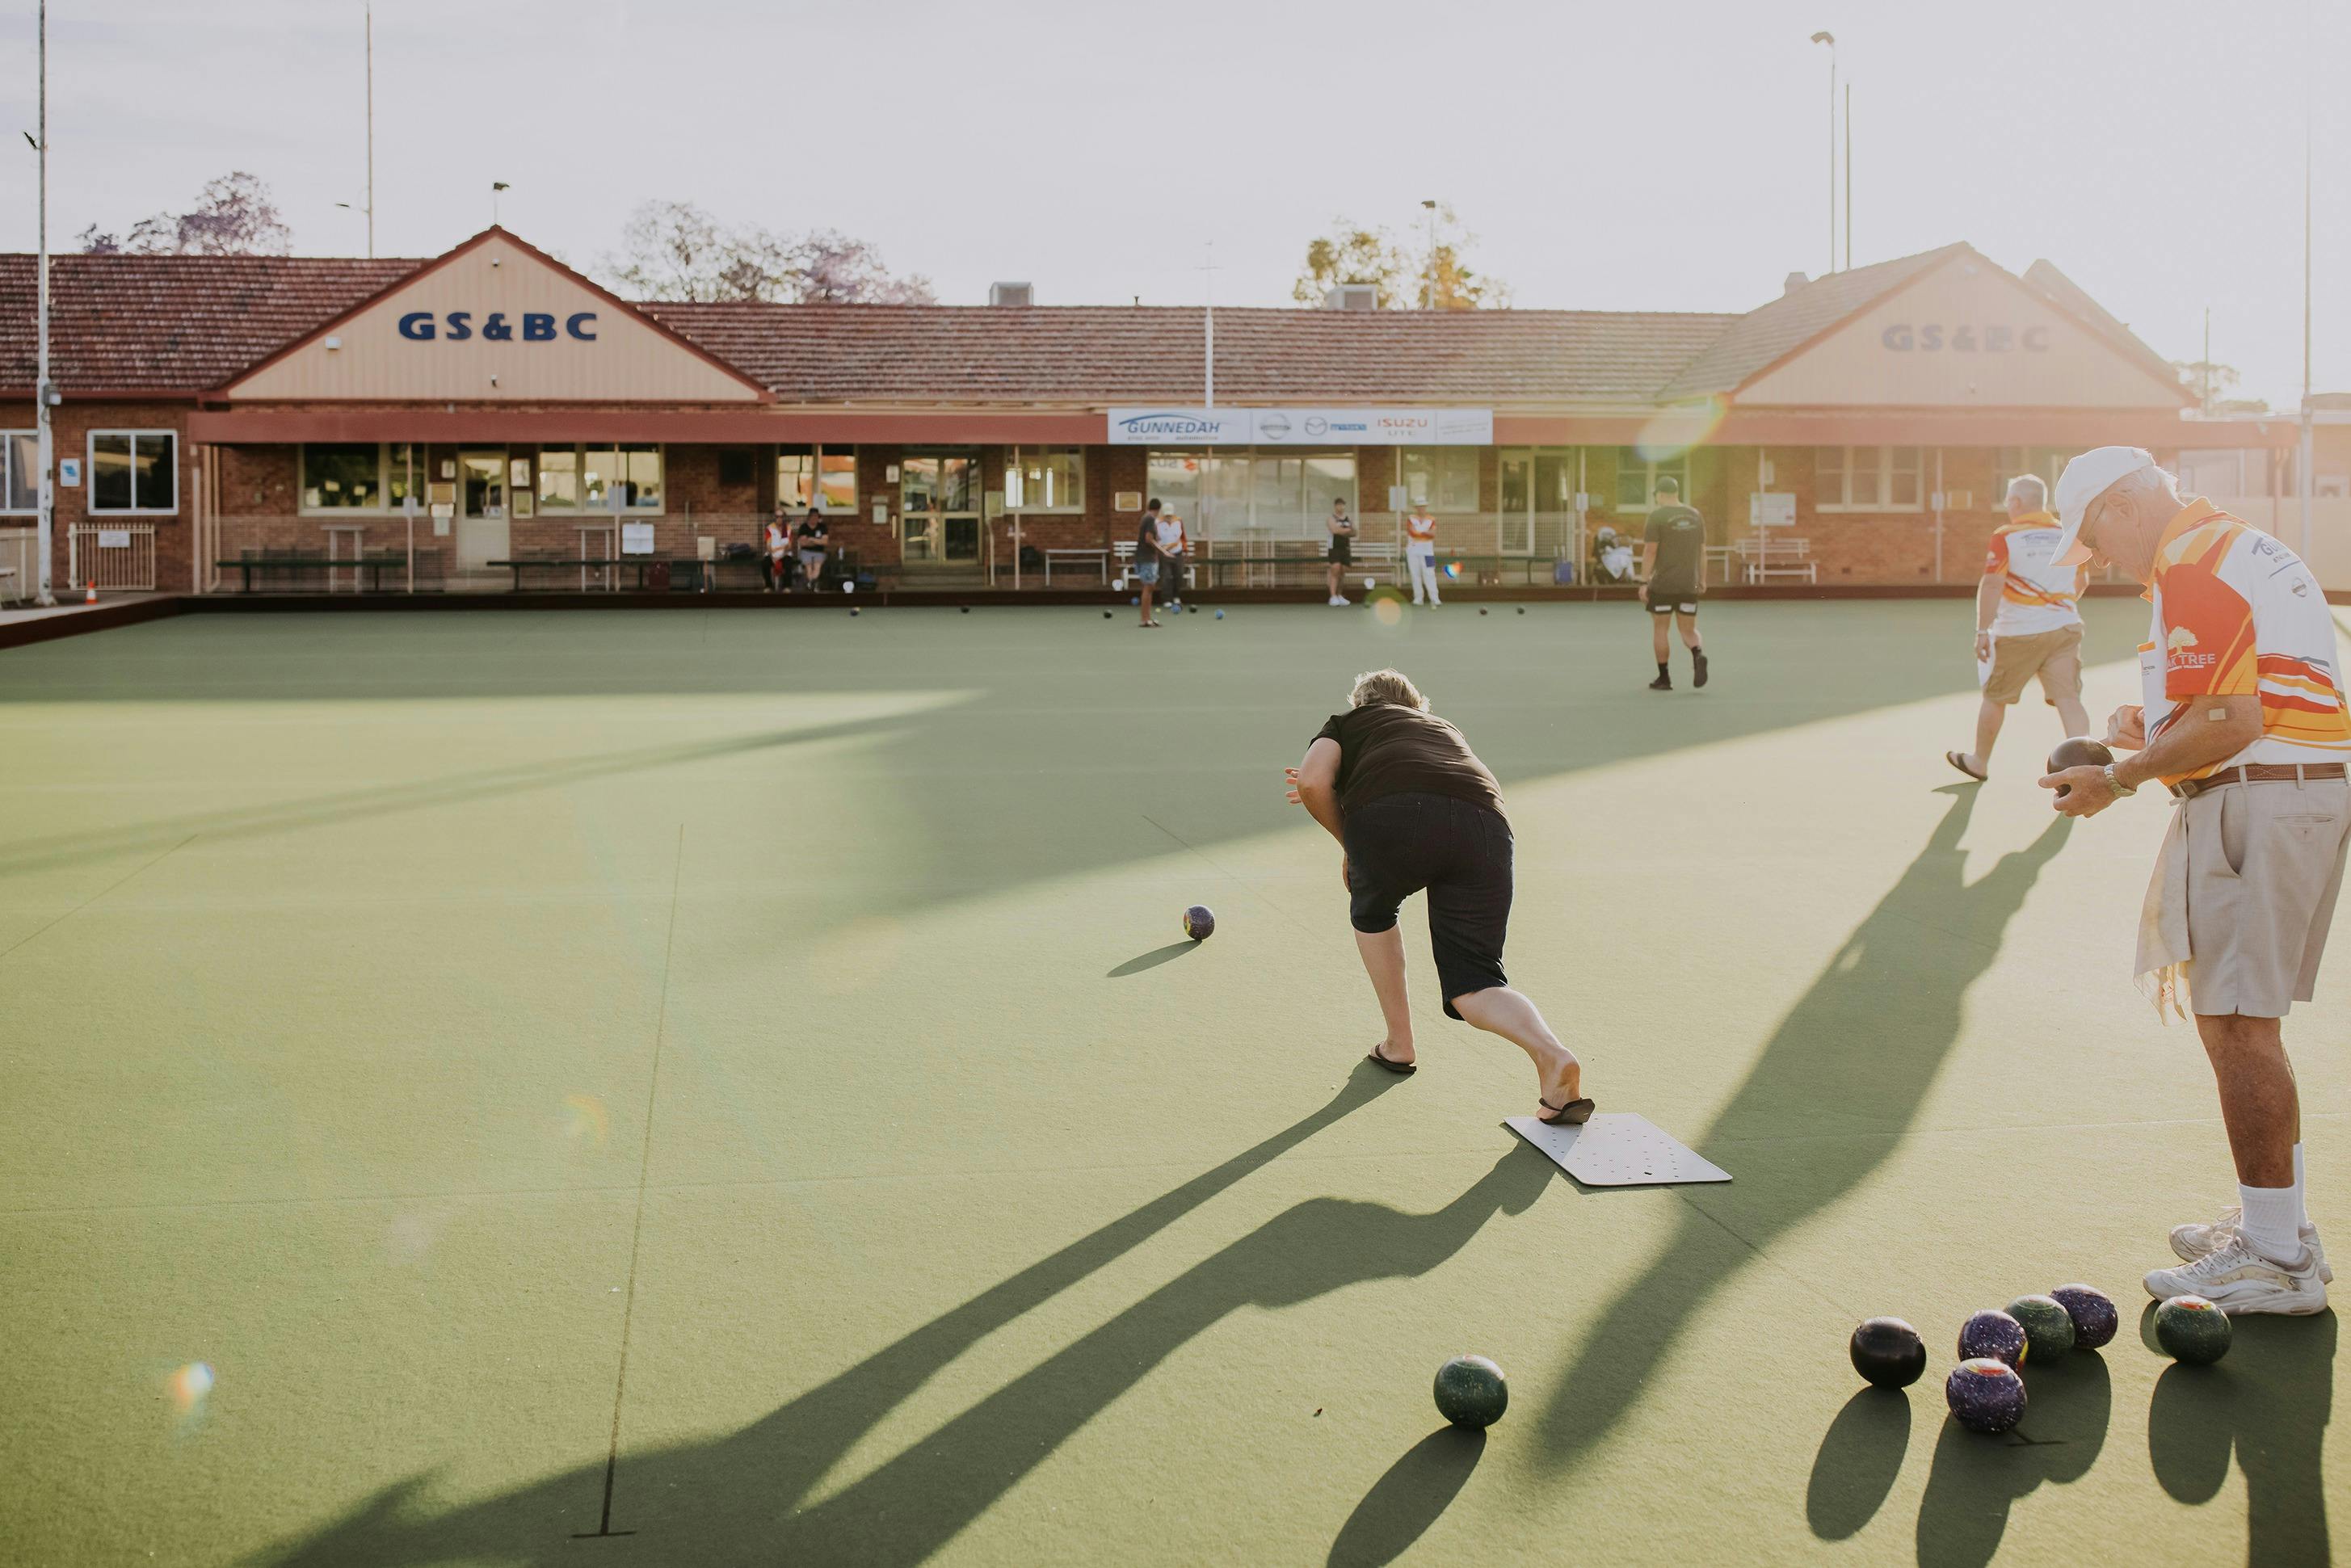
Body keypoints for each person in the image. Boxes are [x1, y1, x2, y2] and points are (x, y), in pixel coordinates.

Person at [2042, 446, 2350, 1315]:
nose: (2097, 556)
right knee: (2238, 1021)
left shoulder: (2194, 565)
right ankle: (2275, 1226)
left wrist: (2122, 774)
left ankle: (2277, 1258)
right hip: (2293, 788)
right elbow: (2242, 697)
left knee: (2240, 1026)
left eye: (2094, 535)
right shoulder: (2237, 547)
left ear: (2125, 504)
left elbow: (2232, 720)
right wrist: (2156, 724)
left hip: (2261, 797)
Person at [1285, 668, 1591, 1125]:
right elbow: (1433, 777)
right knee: (1477, 982)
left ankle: (1399, 1044)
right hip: (1486, 822)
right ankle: (1551, 1054)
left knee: (1373, 912)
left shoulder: (1348, 723)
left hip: (1394, 817)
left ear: (1361, 703)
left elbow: (1311, 783)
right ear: (1416, 707)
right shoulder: (1442, 727)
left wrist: (1351, 842)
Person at [1945, 474, 2090, 780]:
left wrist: (1982, 631)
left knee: (1995, 698)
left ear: (2016, 502)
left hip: (2018, 633)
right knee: (2069, 699)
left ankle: (1979, 762)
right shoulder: (2067, 533)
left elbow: (1992, 584)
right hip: (2065, 628)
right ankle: (2082, 768)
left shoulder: (2006, 536)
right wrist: (2058, 608)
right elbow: (2082, 580)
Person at [1638, 477, 1708, 690]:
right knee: (1689, 630)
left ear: (1659, 494)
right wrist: (1702, 580)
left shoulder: (1657, 516)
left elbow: (1651, 550)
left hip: (1663, 585)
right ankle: (1698, 655)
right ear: (1676, 493)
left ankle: (1664, 678)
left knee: (1661, 628)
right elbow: (1703, 552)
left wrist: (1643, 581)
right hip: (1688, 583)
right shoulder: (1695, 515)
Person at [1133, 498, 1164, 628]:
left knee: (1150, 587)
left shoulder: (1145, 517)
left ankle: (1148, 618)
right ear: (1158, 509)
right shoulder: (1151, 518)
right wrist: (1162, 550)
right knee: (1148, 587)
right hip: (1147, 559)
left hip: (1143, 557)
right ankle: (1145, 619)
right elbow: (1148, 539)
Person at [1404, 501, 1441, 605]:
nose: (1421, 508)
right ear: (1416, 508)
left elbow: (1433, 534)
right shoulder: (1411, 518)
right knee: (1415, 575)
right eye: (1419, 507)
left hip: (1428, 552)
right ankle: (1418, 598)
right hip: (1412, 551)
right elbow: (1412, 533)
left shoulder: (1432, 519)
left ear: (1426, 507)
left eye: (1423, 506)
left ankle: (1435, 598)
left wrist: (1420, 533)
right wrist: (1426, 533)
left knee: (1430, 574)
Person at [1154, 506, 1190, 614]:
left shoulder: (1178, 521)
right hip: (1164, 554)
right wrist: (1161, 550)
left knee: (1179, 574)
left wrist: (1184, 549)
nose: (1168, 517)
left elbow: (1181, 537)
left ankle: (1176, 597)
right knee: (1166, 576)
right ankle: (1166, 599)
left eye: (1170, 515)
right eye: (1166, 515)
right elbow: (1155, 538)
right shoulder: (1157, 523)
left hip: (1177, 553)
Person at [1325, 498, 1357, 607]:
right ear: (1335, 506)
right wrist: (1347, 530)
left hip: (1345, 548)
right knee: (1335, 569)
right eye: (1339, 505)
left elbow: (1354, 532)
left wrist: (1345, 531)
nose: (1341, 507)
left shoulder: (1348, 519)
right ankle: (1333, 596)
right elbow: (1334, 530)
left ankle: (1339, 595)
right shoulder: (1331, 518)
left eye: (1343, 505)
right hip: (1334, 548)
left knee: (1342, 572)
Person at [794, 507, 829, 591]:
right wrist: (818, 541)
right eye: (812, 516)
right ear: (809, 517)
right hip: (806, 552)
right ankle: (811, 584)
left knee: (817, 567)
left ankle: (812, 583)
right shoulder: (804, 527)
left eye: (816, 516)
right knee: (808, 568)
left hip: (819, 552)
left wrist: (811, 539)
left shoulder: (822, 527)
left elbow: (825, 542)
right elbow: (802, 543)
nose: (814, 518)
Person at [764, 507, 792, 593]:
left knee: (788, 562)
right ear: (774, 517)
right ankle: (769, 586)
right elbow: (768, 545)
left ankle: (786, 587)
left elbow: (789, 546)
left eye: (781, 516)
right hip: (772, 554)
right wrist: (773, 556)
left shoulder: (787, 528)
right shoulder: (770, 528)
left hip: (784, 554)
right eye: (777, 516)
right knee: (765, 563)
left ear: (784, 517)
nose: (779, 518)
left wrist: (781, 556)